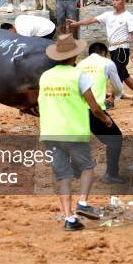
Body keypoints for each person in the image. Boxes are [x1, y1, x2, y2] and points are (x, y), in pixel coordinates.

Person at [38, 34, 112, 231]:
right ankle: (83, 202)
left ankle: (69, 218)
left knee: (62, 174)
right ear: (74, 57)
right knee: (87, 167)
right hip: (73, 131)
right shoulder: (79, 75)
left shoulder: (45, 76)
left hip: (50, 132)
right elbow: (94, 106)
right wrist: (105, 119)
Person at [67, 0, 133, 93]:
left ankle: (111, 98)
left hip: (122, 49)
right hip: (112, 48)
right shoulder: (108, 15)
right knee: (123, 73)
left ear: (124, 1)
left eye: (117, 0)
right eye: (113, 0)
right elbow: (92, 20)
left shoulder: (128, 16)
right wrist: (77, 23)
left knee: (118, 73)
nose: (114, 2)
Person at [76, 42, 127, 183]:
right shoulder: (107, 63)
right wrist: (114, 96)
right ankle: (111, 174)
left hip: (78, 110)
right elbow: (118, 86)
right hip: (95, 110)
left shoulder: (80, 64)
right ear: (104, 52)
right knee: (115, 139)